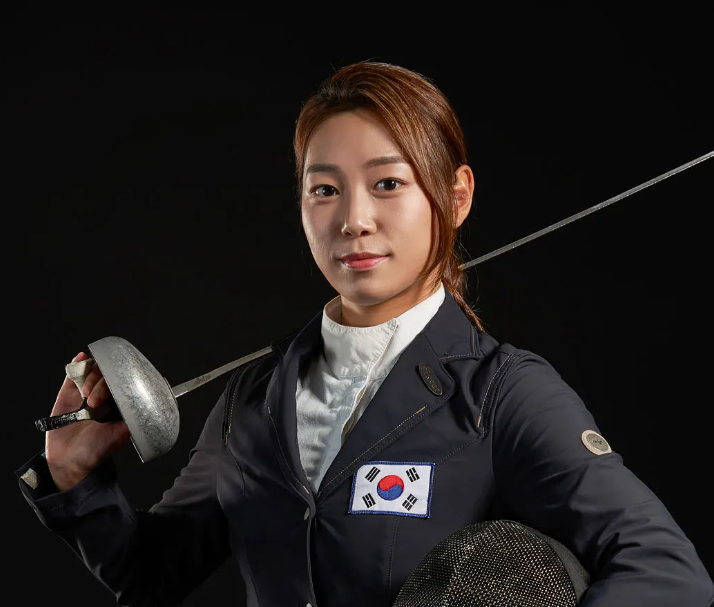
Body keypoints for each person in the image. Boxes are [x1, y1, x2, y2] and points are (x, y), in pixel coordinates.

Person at [16, 60, 713, 607]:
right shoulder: (252, 402)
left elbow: (664, 568)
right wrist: (75, 476)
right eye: (325, 189)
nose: (353, 219)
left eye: (387, 184)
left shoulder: (502, 394)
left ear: (456, 196)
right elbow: (150, 574)